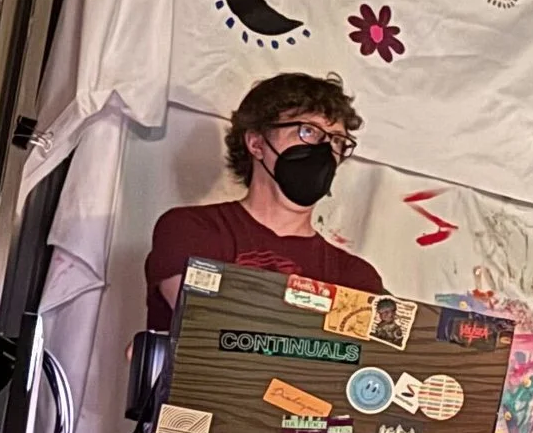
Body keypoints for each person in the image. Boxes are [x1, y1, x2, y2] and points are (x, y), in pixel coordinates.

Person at [143, 74, 384, 331]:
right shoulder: (192, 230)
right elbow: (209, 329)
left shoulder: (357, 276)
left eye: (336, 140)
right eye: (308, 131)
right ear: (257, 143)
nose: (325, 148)